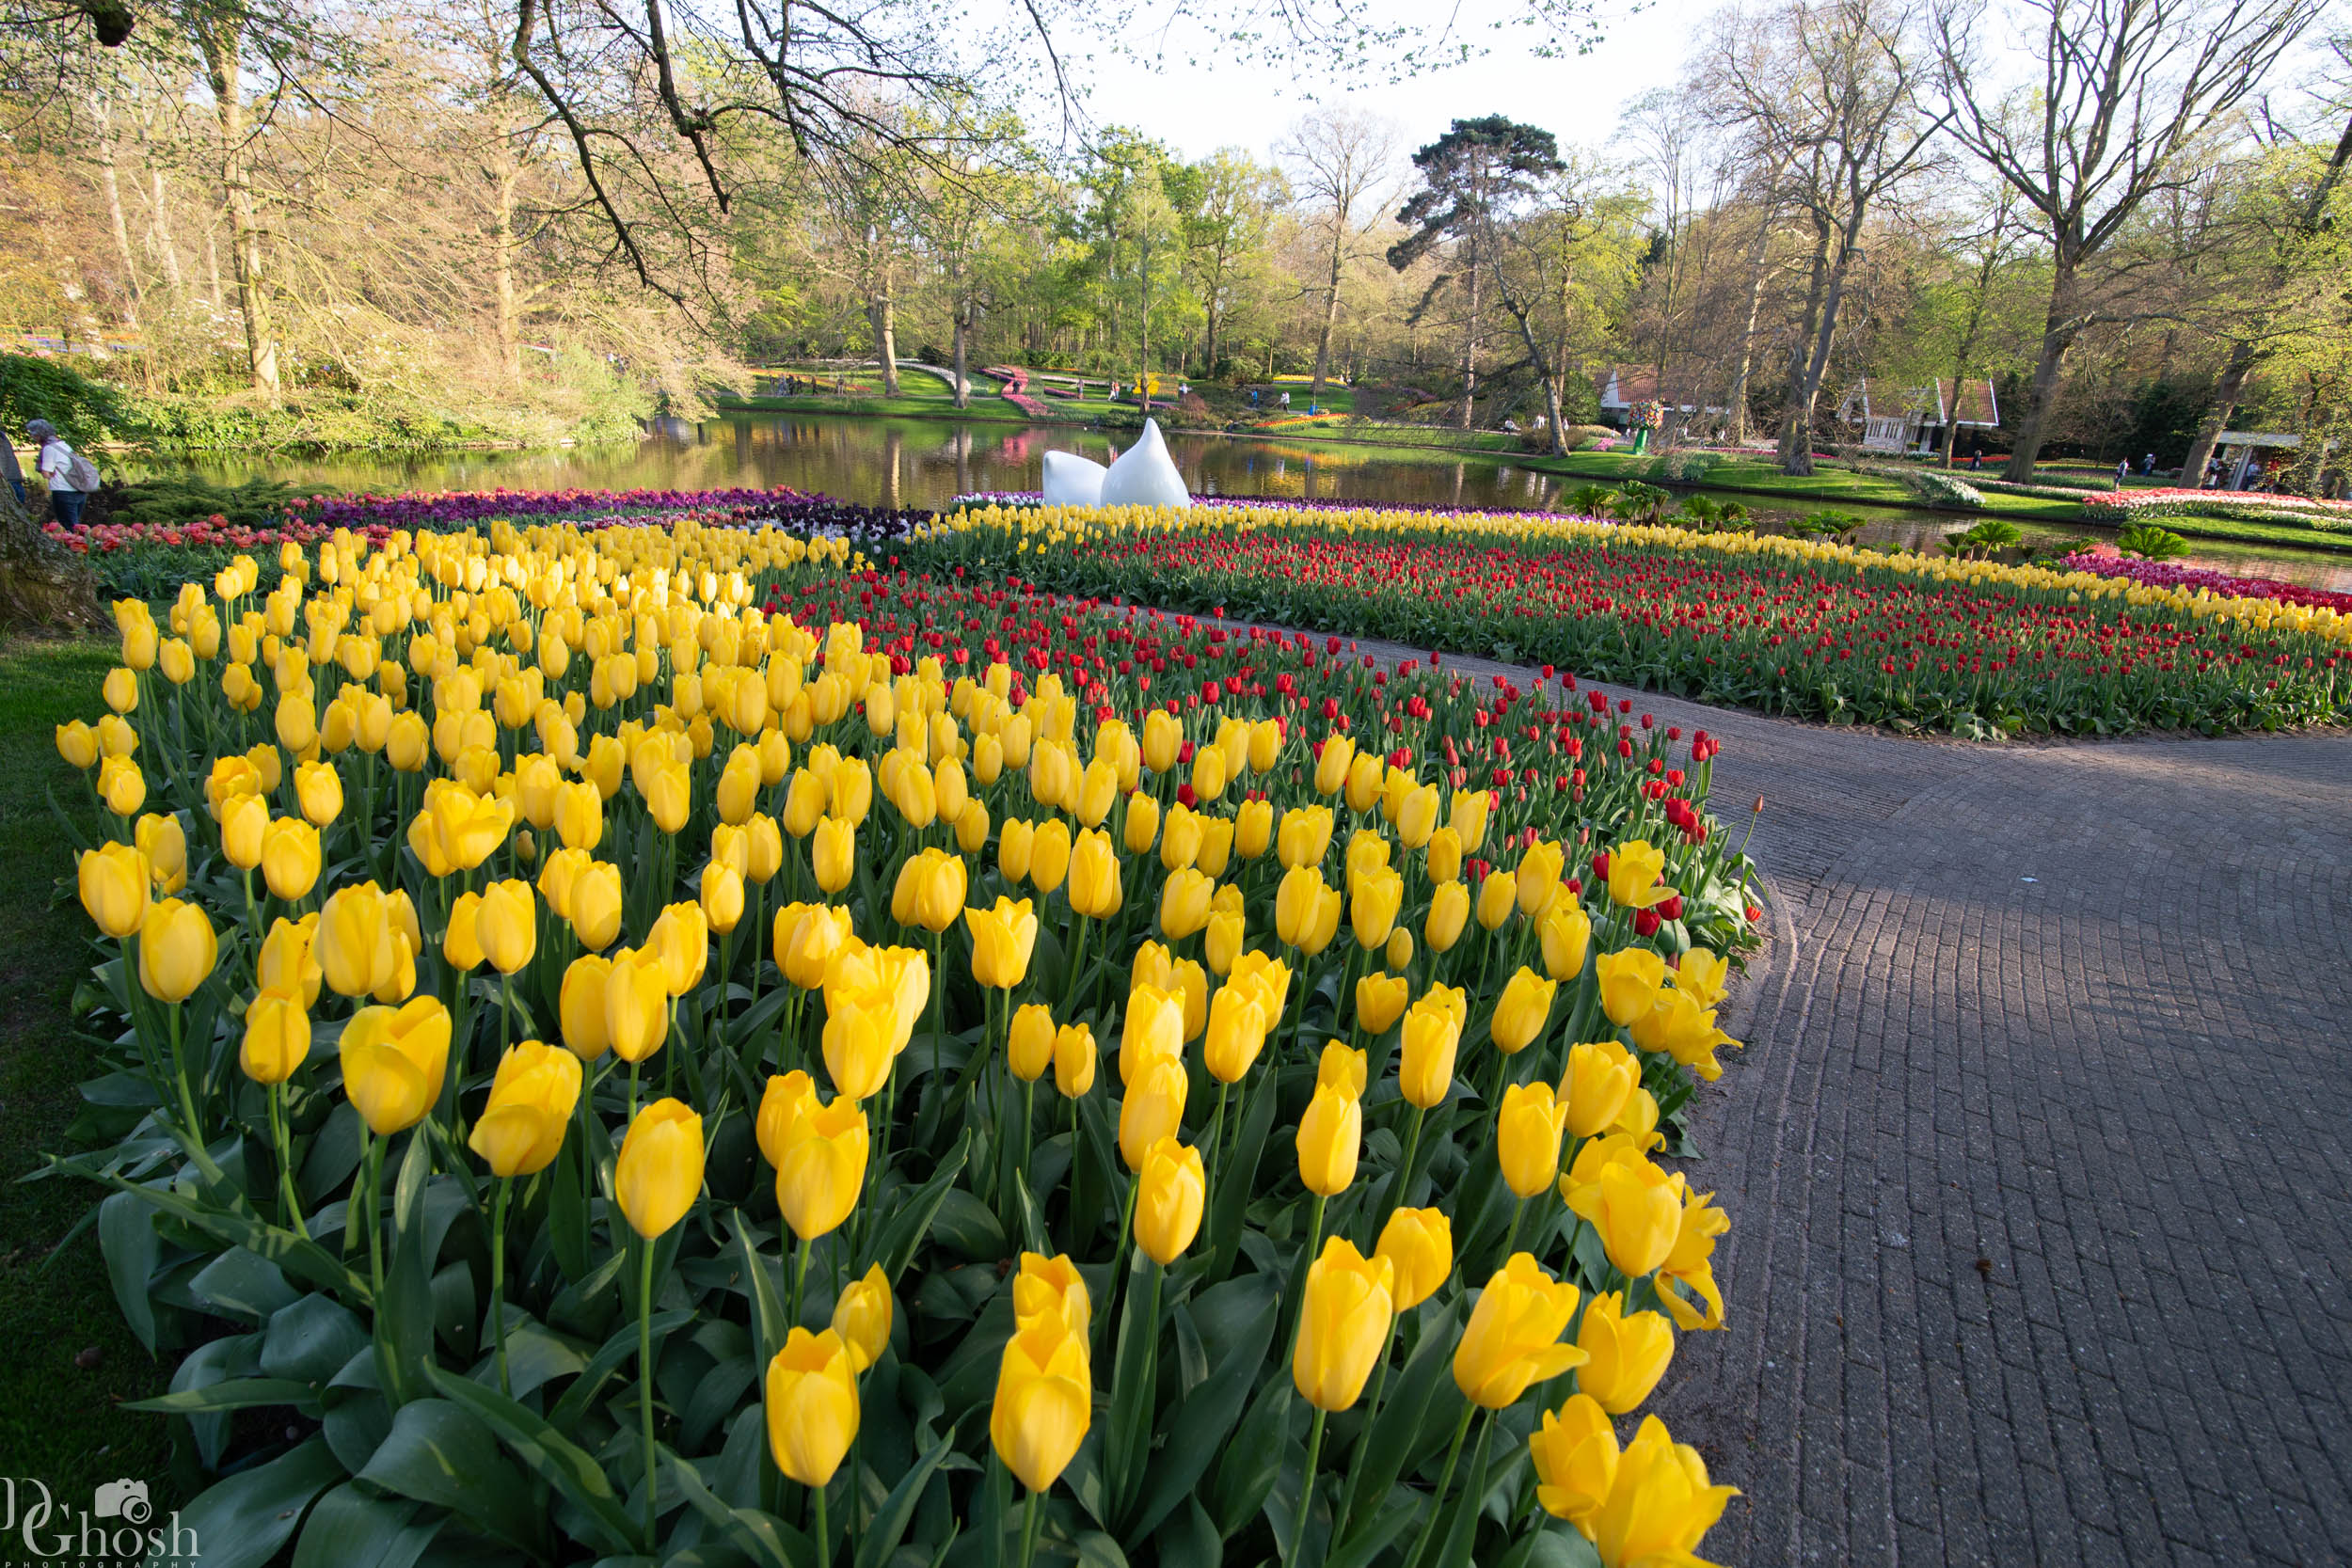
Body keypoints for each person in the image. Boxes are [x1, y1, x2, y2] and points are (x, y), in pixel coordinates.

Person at [28, 420, 93, 526]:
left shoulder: (49, 448)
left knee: (68, 526)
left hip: (63, 491)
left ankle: (80, 542)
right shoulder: (63, 444)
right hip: (79, 489)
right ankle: (83, 541)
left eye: (32, 434)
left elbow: (46, 473)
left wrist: (49, 473)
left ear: (39, 435)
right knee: (76, 526)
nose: (32, 437)